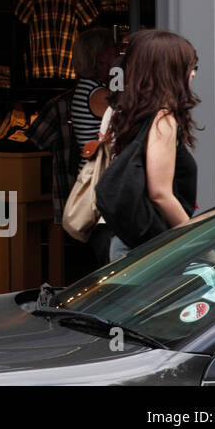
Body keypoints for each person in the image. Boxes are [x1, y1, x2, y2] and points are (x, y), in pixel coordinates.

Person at [105, 29, 200, 262]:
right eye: (190, 67)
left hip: (134, 244)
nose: (194, 74)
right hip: (148, 250)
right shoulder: (163, 119)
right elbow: (160, 193)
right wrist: (197, 240)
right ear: (170, 72)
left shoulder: (136, 114)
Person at [70, 27, 120, 265]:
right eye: (114, 52)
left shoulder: (85, 88)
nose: (118, 57)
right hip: (101, 181)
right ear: (101, 56)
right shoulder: (98, 94)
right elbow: (128, 120)